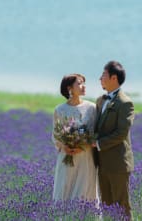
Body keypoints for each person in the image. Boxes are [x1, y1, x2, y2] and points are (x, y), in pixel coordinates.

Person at [94, 60, 134, 218]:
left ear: (114, 78)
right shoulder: (100, 100)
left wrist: (97, 143)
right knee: (106, 206)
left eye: (103, 75)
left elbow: (121, 133)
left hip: (118, 164)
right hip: (102, 163)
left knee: (121, 207)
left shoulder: (125, 103)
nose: (100, 78)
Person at [51, 73, 99, 202]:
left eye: (84, 83)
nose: (83, 86)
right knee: (64, 189)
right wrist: (64, 146)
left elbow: (96, 133)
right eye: (79, 83)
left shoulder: (92, 108)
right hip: (66, 157)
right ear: (69, 88)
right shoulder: (60, 110)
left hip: (85, 157)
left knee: (85, 191)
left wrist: (83, 146)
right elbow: (56, 135)